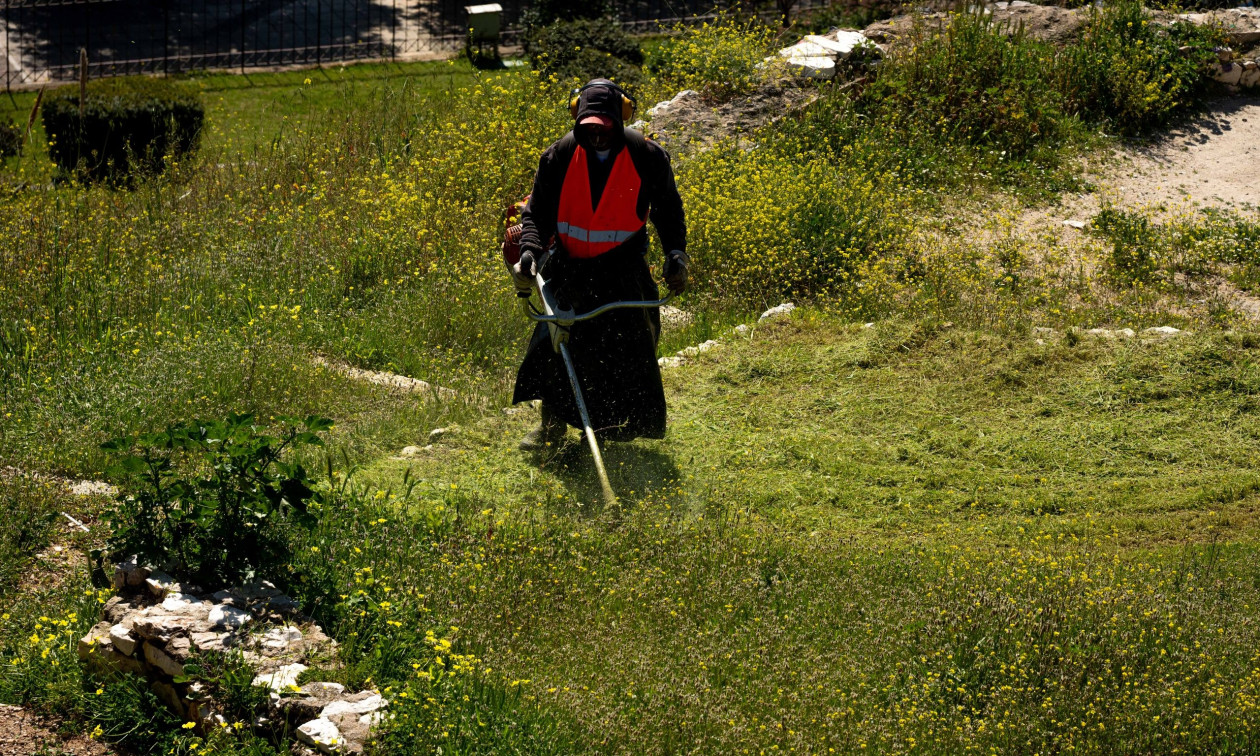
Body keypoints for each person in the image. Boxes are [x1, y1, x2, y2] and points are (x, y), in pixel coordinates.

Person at [512, 78, 688, 451]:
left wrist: (676, 253)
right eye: (588, 129)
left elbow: (669, 210)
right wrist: (529, 250)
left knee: (625, 350)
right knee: (556, 347)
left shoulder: (647, 156)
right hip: (568, 268)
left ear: (619, 121)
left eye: (605, 128)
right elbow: (536, 214)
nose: (597, 136)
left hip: (622, 270)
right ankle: (552, 430)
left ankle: (613, 431)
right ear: (578, 121)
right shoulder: (558, 156)